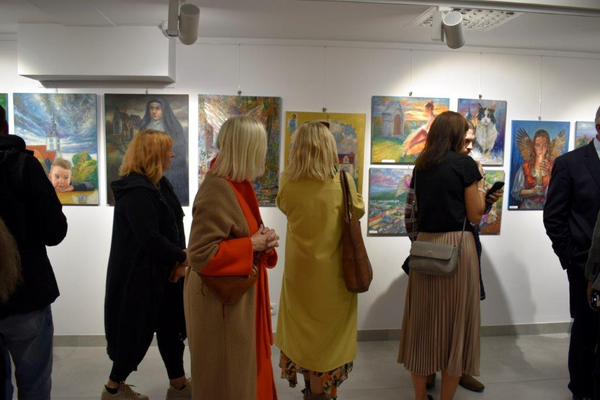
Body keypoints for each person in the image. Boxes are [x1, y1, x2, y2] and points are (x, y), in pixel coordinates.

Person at [184, 116, 279, 400]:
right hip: (220, 304)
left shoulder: (237, 184)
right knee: (226, 379)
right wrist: (252, 243)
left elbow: (239, 233)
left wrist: (262, 241)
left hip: (234, 299)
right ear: (247, 148)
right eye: (261, 146)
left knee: (238, 375)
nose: (264, 152)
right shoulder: (217, 187)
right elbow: (200, 253)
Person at [398, 111, 486, 400]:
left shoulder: (421, 165)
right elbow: (475, 214)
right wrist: (481, 186)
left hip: (425, 246)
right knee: (455, 327)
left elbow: (414, 211)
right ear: (457, 135)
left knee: (422, 325)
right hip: (457, 248)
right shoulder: (465, 165)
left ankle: (419, 396)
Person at [275, 122, 364, 400]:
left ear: (298, 148)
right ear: (329, 148)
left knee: (302, 338)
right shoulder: (343, 181)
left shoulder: (287, 182)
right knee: (329, 341)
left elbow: (284, 206)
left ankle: (311, 390)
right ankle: (321, 394)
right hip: (334, 278)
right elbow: (358, 210)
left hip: (299, 278)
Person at [102, 129, 190, 400]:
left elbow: (174, 226)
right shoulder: (136, 191)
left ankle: (179, 385)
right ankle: (113, 389)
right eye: (167, 150)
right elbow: (150, 239)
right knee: (134, 334)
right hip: (140, 278)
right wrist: (184, 256)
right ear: (154, 155)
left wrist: (178, 262)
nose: (172, 154)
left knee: (170, 330)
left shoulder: (159, 185)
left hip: (164, 273)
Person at [0, 129, 68, 400]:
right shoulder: (24, 165)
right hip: (25, 293)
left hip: (24, 296)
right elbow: (54, 232)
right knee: (35, 386)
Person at [544, 106, 600, 400]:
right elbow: (554, 217)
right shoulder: (571, 163)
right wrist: (570, 257)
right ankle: (581, 389)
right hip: (584, 263)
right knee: (586, 329)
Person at [139, 97, 189, 203]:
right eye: (151, 108)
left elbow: (179, 147)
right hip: (148, 168)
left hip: (168, 169)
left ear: (163, 110)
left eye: (157, 108)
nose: (154, 111)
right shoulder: (144, 127)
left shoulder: (173, 127)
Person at [511, 129, 553, 210]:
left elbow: (558, 191)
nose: (541, 149)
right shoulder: (525, 166)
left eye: (544, 145)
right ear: (533, 146)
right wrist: (533, 191)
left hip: (547, 209)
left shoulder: (553, 166)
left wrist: (549, 174)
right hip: (526, 208)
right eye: (537, 145)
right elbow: (516, 192)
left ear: (548, 147)